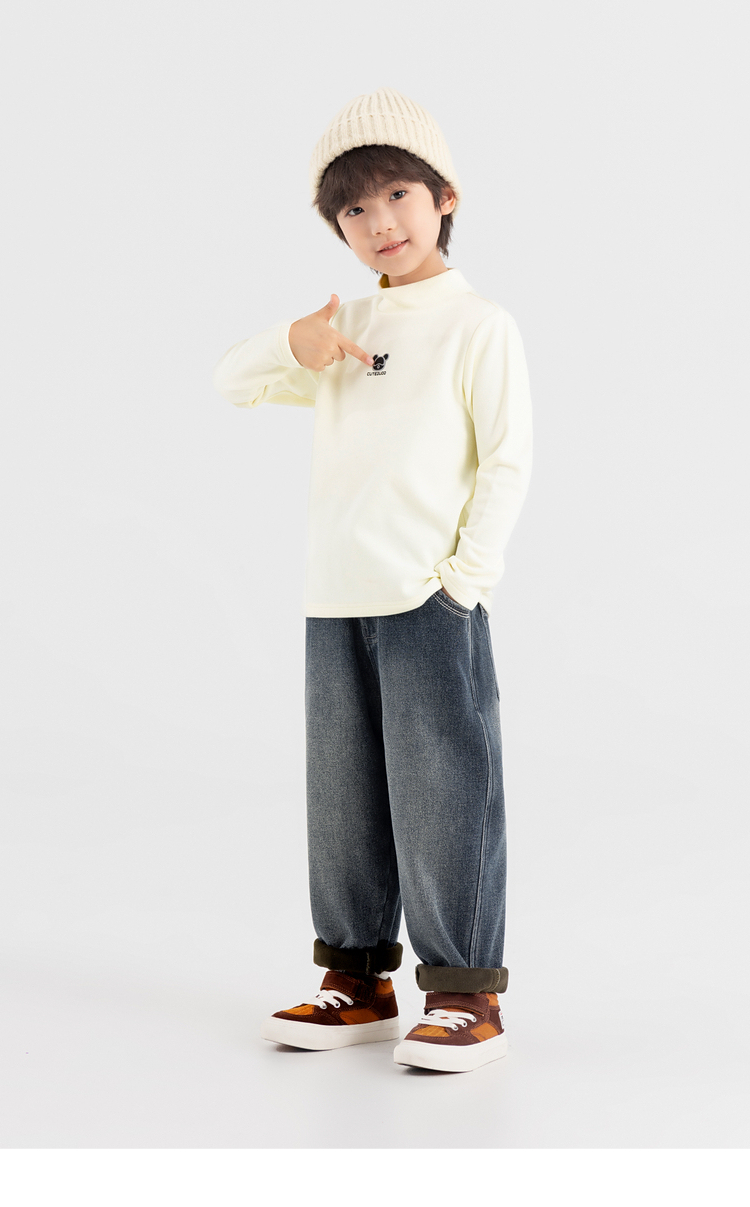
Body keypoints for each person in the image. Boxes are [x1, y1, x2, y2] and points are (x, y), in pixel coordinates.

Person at [212, 87, 533, 1073]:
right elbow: (232, 381)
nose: (379, 220)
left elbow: (507, 460)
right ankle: (357, 980)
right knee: (343, 796)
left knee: (445, 792)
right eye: (354, 208)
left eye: (397, 193)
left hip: (429, 599)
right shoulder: (342, 325)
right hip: (334, 597)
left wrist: (464, 582)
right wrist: (292, 343)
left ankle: (466, 994)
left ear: (445, 197)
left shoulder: (478, 324)